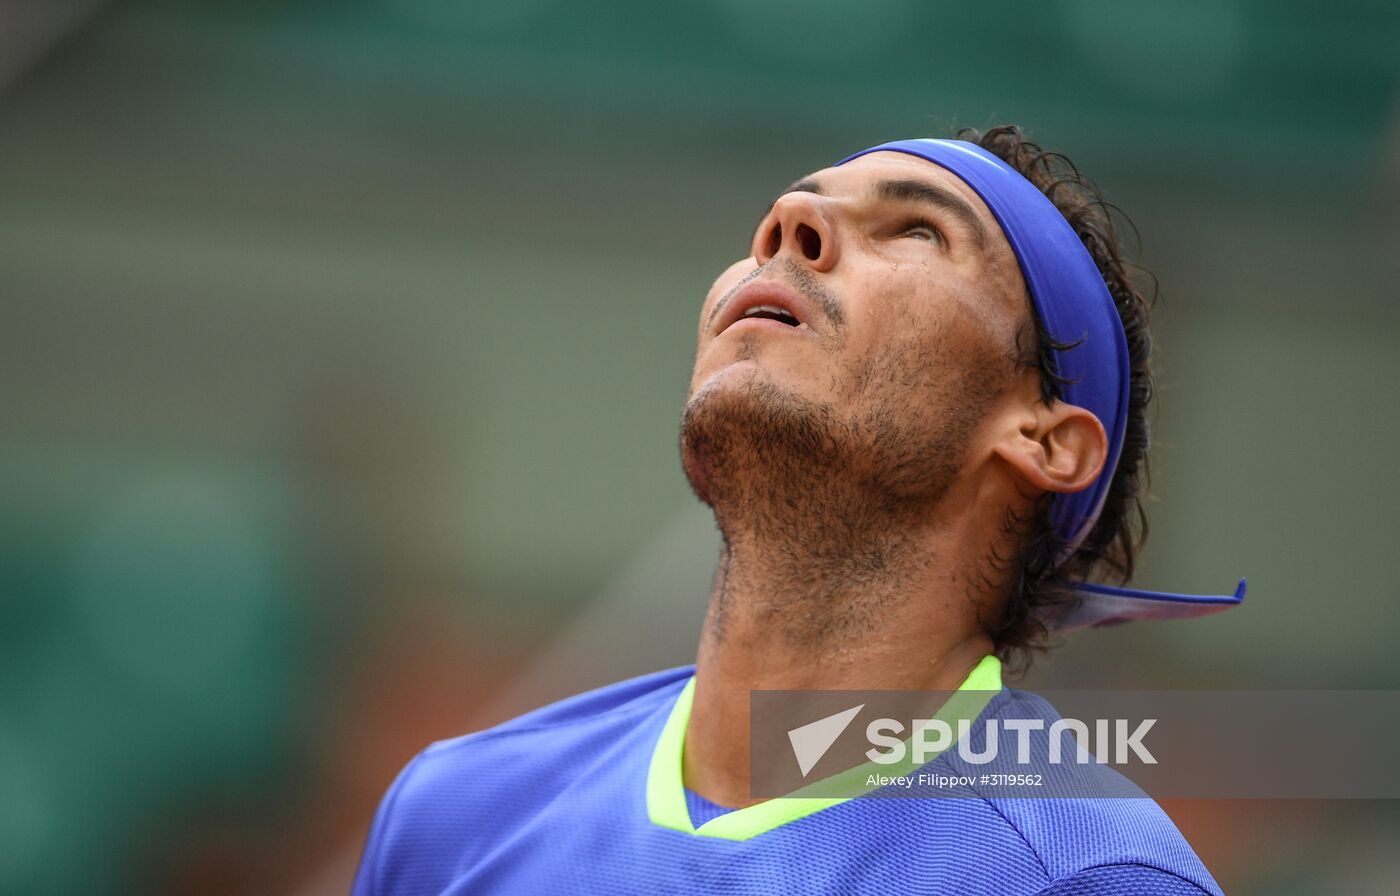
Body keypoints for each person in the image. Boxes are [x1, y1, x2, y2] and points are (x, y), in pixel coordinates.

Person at [350, 125, 1244, 895]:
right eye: (787, 212)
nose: (787, 227)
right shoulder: (454, 815)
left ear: (1043, 440)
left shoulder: (1088, 876)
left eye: (919, 230)